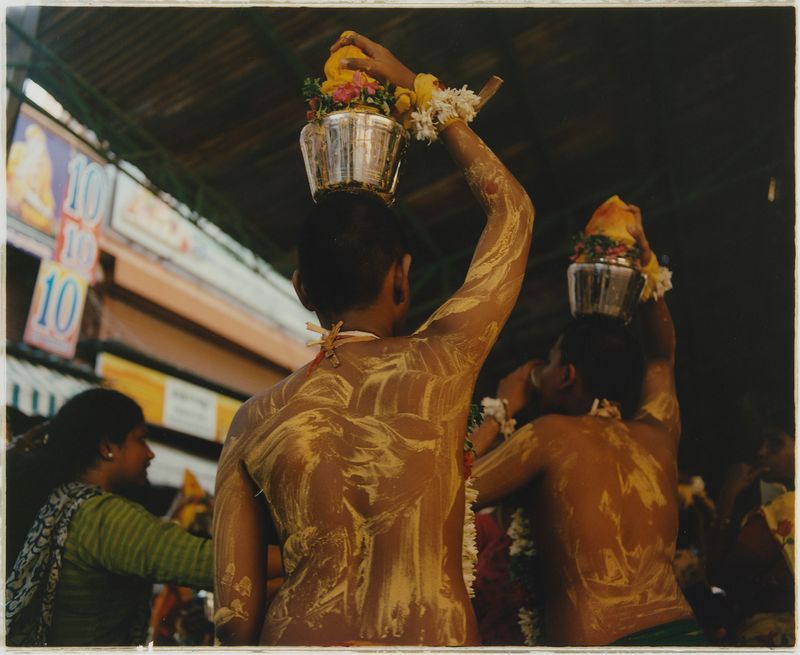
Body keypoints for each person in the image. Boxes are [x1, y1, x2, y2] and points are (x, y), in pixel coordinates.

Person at [212, 32, 535, 646]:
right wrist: (425, 95)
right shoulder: (443, 359)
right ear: (403, 279)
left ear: (302, 288)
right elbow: (512, 212)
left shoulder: (253, 423)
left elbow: (233, 616)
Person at [472, 207, 706, 646]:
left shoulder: (548, 437)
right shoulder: (659, 437)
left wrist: (501, 407)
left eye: (553, 360)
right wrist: (647, 265)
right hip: (684, 635)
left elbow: (448, 489)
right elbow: (661, 358)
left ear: (568, 375)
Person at [5, 388, 213, 647]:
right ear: (107, 448)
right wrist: (281, 556)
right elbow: (207, 564)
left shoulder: (62, 501)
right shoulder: (99, 514)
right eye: (140, 439)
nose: (150, 453)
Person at [707, 427, 795, 646]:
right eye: (761, 444)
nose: (761, 452)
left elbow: (720, 577)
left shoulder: (782, 509)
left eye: (774, 443)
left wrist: (728, 494)